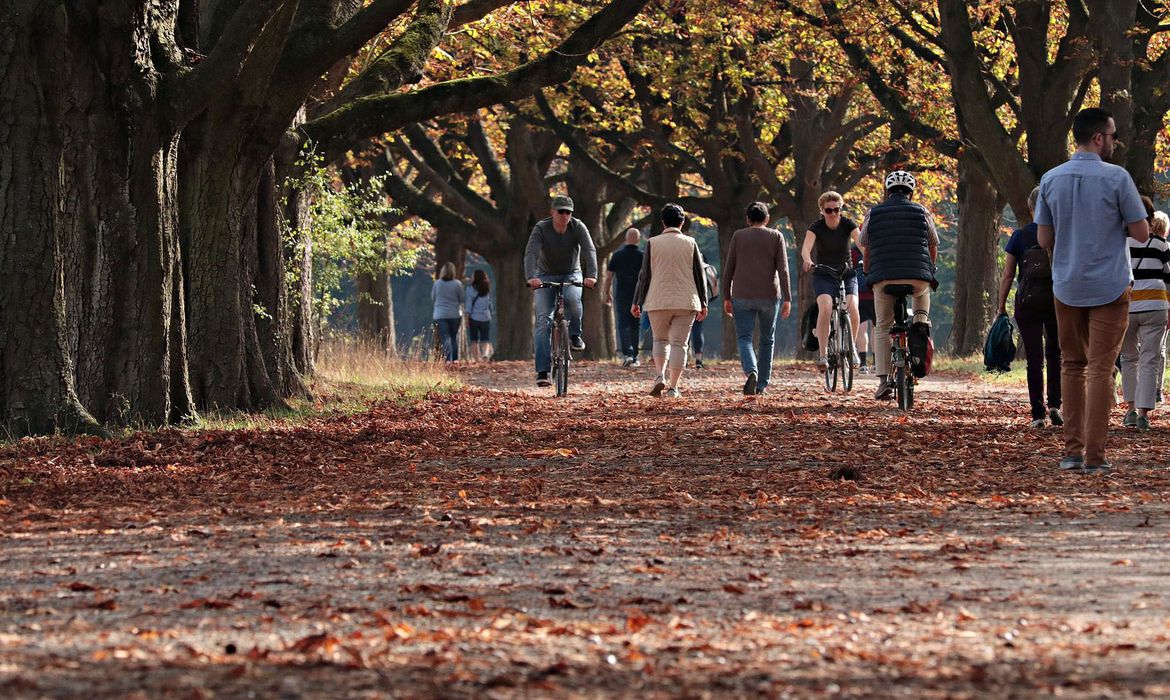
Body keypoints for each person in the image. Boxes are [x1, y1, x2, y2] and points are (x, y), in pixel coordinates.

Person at [1036, 106, 1149, 474]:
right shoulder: (1118, 179)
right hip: (1110, 284)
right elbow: (1142, 233)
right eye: (1113, 135)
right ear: (1099, 138)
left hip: (1066, 284)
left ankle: (1071, 451)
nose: (1115, 142)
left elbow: (1044, 237)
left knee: (1071, 365)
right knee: (1101, 369)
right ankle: (1095, 457)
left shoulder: (1051, 180)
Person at [859, 170, 939, 400]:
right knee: (921, 306)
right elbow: (933, 244)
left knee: (883, 326)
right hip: (917, 277)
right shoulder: (922, 212)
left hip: (883, 277)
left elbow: (866, 246)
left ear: (887, 190)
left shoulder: (873, 214)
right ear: (911, 192)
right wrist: (930, 268)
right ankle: (919, 331)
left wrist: (867, 271)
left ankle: (883, 381)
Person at [997, 187, 1062, 429]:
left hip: (1028, 302)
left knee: (1034, 358)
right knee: (1056, 353)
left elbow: (1007, 275)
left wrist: (1001, 306)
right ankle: (1055, 403)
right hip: (1057, 300)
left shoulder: (1019, 236)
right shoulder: (1059, 234)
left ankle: (1037, 413)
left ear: (1031, 207)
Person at [631, 204, 708, 398]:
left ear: (663, 222)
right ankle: (673, 387)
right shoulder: (691, 243)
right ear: (682, 222)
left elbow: (644, 275)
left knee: (660, 339)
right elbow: (700, 275)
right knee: (679, 344)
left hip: (657, 300)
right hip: (686, 300)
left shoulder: (652, 243)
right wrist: (704, 302)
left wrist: (636, 301)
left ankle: (659, 376)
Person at [524, 195, 598, 387]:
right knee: (543, 321)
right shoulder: (541, 228)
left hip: (571, 273)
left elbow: (589, 250)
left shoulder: (578, 227)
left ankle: (574, 334)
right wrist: (531, 277)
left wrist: (592, 275)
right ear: (552, 212)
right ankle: (543, 371)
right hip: (545, 274)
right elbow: (531, 253)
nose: (565, 215)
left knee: (573, 300)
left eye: (568, 212)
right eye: (561, 211)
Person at [722, 202, 792, 395]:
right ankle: (762, 384)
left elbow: (728, 269)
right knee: (767, 340)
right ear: (767, 219)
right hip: (769, 295)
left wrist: (726, 296)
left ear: (748, 219)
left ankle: (751, 370)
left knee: (744, 338)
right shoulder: (776, 236)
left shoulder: (738, 236)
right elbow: (783, 270)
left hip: (742, 295)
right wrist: (787, 298)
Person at [1120, 206, 1170, 432]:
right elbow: (1168, 279)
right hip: (1155, 306)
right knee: (1149, 359)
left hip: (1127, 307)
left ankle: (1130, 409)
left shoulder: (1122, 244)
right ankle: (1143, 414)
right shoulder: (1162, 245)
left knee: (1128, 358)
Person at [801, 191, 862, 371]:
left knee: (853, 308)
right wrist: (807, 260)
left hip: (846, 273)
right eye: (829, 211)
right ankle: (823, 354)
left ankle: (852, 348)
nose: (834, 214)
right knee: (826, 307)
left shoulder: (848, 224)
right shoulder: (816, 227)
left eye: (837, 209)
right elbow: (806, 248)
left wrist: (868, 259)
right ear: (822, 211)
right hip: (824, 274)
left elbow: (862, 243)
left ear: (841, 208)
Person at [603, 228, 644, 367]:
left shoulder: (617, 255)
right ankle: (635, 356)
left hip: (621, 295)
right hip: (638, 296)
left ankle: (627, 353)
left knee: (623, 324)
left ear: (625, 239)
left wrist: (606, 292)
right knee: (635, 324)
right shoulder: (642, 256)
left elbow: (608, 277)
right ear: (638, 240)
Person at [431, 262, 465, 362]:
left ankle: (447, 359)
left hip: (440, 314)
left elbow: (433, 297)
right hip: (454, 314)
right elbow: (462, 299)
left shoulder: (437, 284)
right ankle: (455, 359)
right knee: (453, 337)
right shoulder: (457, 284)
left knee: (445, 337)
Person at [850, 244, 876, 373]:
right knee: (877, 329)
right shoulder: (877, 246)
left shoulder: (854, 250)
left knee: (861, 329)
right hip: (876, 293)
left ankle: (863, 364)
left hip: (859, 294)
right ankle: (877, 363)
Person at [689, 261, 719, 369]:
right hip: (701, 302)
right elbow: (714, 288)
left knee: (684, 330)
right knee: (698, 329)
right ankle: (698, 358)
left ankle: (683, 359)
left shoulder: (685, 265)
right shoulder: (706, 267)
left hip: (685, 301)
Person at [466, 269, 493, 362]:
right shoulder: (487, 288)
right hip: (486, 317)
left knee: (474, 340)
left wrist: (467, 318)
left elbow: (469, 305)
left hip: (474, 317)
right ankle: (485, 355)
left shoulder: (470, 289)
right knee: (485, 338)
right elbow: (490, 303)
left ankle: (476, 359)